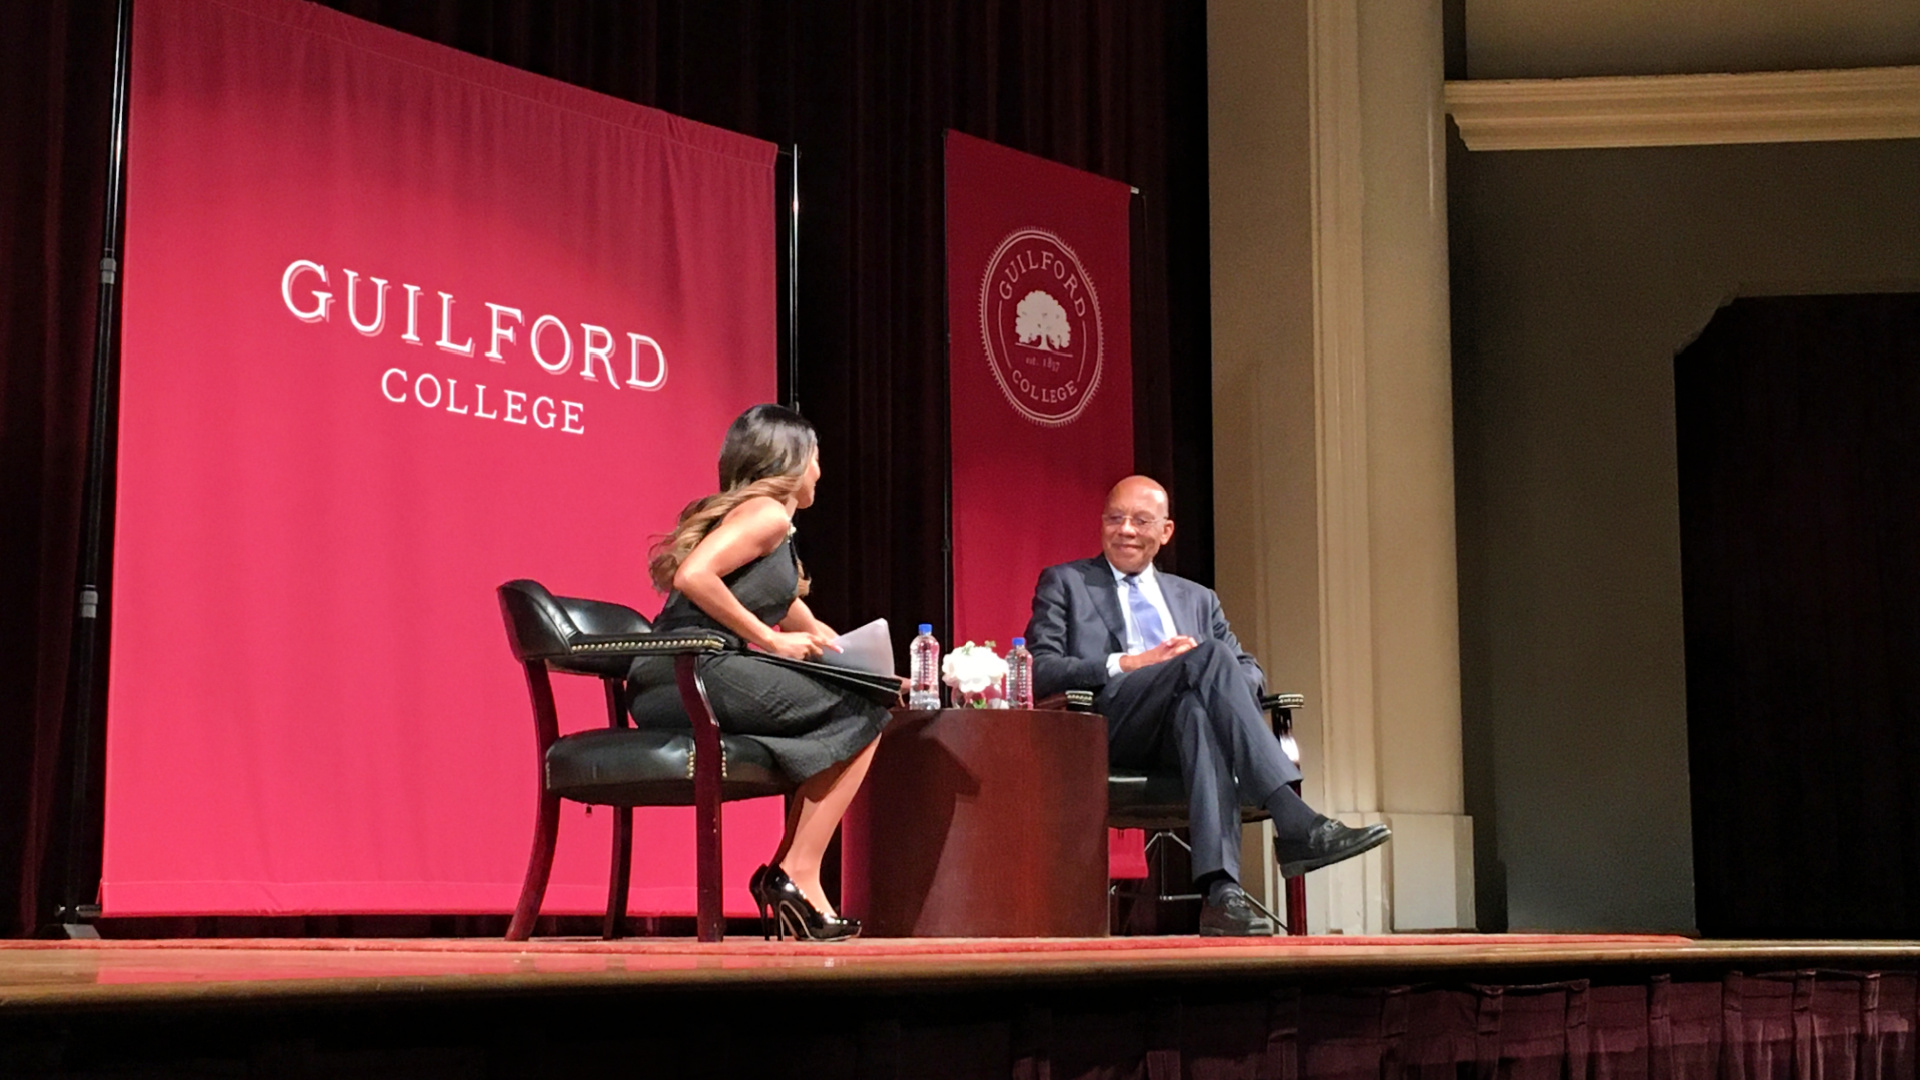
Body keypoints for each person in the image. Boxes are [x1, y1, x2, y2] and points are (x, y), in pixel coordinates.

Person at [1024, 475, 1391, 936]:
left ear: (1166, 531)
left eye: (1140, 520)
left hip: (1177, 735)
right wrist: (1133, 661)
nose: (1126, 530)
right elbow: (1042, 670)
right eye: (1115, 519)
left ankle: (1222, 896)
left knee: (1198, 710)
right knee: (1211, 657)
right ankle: (1292, 817)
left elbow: (1252, 674)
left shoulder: (1197, 598)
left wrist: (1199, 666)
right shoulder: (1067, 582)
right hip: (1112, 724)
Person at [628, 404, 888, 942]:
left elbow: (813, 632)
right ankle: (797, 873)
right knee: (861, 715)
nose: (820, 471)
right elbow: (694, 575)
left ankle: (792, 875)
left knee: (859, 709)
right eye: (817, 458)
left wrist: (886, 676)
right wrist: (768, 639)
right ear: (793, 461)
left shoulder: (775, 535)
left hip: (686, 675)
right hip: (689, 671)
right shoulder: (766, 513)